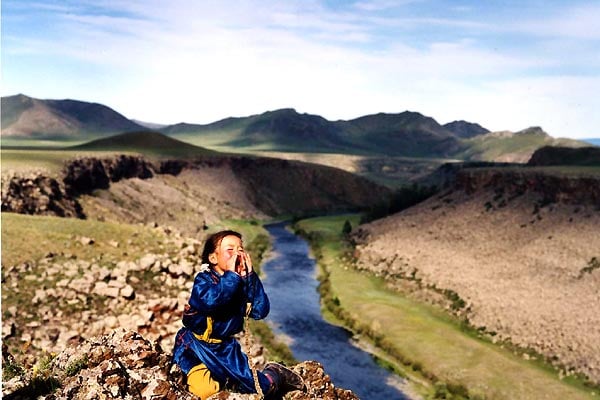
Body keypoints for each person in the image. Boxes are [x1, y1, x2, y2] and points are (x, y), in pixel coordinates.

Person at [172, 230, 304, 399]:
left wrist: (250, 278)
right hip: (195, 347)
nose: (237, 254)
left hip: (225, 350)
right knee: (205, 392)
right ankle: (222, 378)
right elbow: (211, 302)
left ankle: (275, 372)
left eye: (240, 250)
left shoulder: (240, 285)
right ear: (213, 258)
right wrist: (233, 277)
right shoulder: (203, 280)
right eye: (230, 250)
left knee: (262, 388)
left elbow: (259, 311)